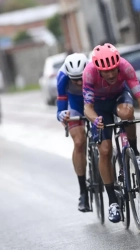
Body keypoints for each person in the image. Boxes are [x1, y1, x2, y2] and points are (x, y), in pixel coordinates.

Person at [83, 43, 140, 223]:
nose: (110, 74)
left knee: (127, 113)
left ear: (118, 65)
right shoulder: (89, 73)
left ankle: (135, 153)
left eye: (113, 70)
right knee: (105, 150)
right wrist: (96, 120)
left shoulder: (125, 66)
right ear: (98, 69)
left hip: (119, 96)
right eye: (105, 71)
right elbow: (88, 108)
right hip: (99, 106)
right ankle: (113, 201)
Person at [56, 53, 90, 212]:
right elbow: (61, 107)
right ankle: (83, 191)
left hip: (93, 101)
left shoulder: (94, 69)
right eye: (74, 79)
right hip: (75, 104)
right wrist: (62, 114)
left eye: (81, 77)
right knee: (79, 142)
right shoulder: (62, 77)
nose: (79, 82)